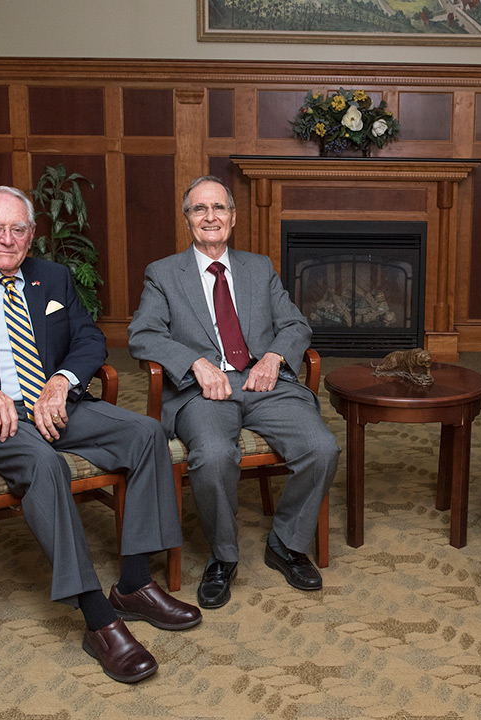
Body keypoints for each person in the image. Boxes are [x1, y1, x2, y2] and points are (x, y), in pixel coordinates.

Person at [0, 186, 201, 684]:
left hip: (56, 407)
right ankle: (99, 618)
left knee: (146, 433)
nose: (6, 239)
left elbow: (89, 338)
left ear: (31, 235)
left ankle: (135, 585)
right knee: (43, 465)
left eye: (18, 229)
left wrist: (61, 382)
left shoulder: (52, 276)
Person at [127, 176, 339, 610]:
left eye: (219, 208)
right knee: (215, 455)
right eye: (200, 209)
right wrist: (194, 363)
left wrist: (275, 357)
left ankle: (286, 543)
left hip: (264, 384)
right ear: (187, 219)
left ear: (233, 217)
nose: (210, 217)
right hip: (203, 391)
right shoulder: (164, 273)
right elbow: (143, 333)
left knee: (322, 447)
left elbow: (296, 325)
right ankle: (223, 557)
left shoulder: (259, 267)